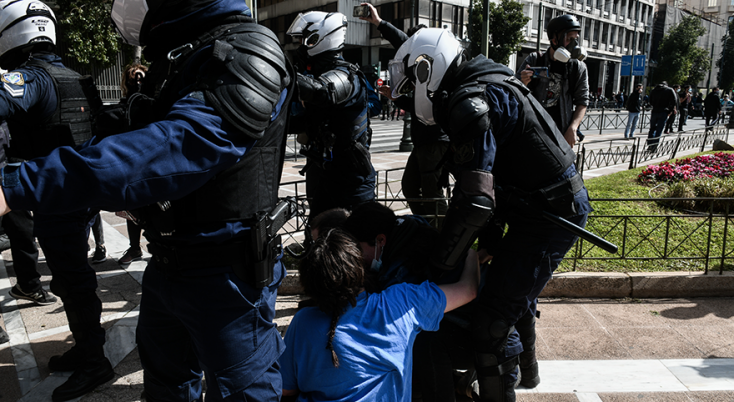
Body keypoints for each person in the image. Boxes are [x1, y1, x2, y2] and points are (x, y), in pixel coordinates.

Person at [0, 1, 294, 401]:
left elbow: (182, 144)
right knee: (164, 385)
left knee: (242, 393)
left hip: (228, 275)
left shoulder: (248, 48)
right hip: (168, 261)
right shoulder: (184, 55)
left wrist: (19, 183)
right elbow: (138, 131)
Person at [389, 28, 591, 401]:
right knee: (509, 293)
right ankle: (529, 372)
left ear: (427, 70)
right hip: (529, 203)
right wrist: (481, 246)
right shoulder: (479, 80)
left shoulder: (470, 101)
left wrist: (439, 266)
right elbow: (489, 181)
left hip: (548, 213)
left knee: (491, 324)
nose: (408, 99)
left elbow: (474, 202)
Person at [0, 2, 111, 400]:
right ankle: (87, 348)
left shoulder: (31, 77)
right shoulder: (74, 76)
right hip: (79, 193)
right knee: (72, 277)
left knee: (73, 280)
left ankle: (95, 361)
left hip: (57, 196)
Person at [280, 228, 480, 402]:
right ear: (359, 268)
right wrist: (471, 253)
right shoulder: (401, 302)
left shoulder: (302, 322)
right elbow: (468, 290)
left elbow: (285, 389)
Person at [359, 3, 449, 224]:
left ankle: (443, 234)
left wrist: (379, 23)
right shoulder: (422, 69)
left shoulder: (437, 66)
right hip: (423, 141)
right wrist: (395, 98)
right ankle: (425, 225)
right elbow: (418, 105)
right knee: (410, 186)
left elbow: (402, 41)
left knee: (431, 192)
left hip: (435, 141)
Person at [287, 11, 376, 220]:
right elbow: (307, 121)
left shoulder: (347, 75)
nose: (300, 47)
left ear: (321, 38)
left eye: (304, 40)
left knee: (354, 235)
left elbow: (321, 91)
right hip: (324, 172)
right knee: (317, 231)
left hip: (351, 179)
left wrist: (280, 72)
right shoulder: (317, 74)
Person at [517, 14, 589, 147]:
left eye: (575, 39)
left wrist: (573, 128)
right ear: (554, 40)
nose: (574, 45)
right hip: (533, 131)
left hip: (561, 134)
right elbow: (514, 93)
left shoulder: (578, 67)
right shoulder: (534, 59)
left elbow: (582, 102)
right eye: (569, 39)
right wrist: (523, 82)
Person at [116, 62, 148, 267]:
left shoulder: (153, 101)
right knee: (131, 210)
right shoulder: (125, 104)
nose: (137, 82)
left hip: (151, 161)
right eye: (132, 78)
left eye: (140, 78)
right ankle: (134, 247)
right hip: (132, 163)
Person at [647, 81, 678, 152]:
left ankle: (650, 145)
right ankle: (654, 146)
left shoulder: (654, 90)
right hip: (664, 111)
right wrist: (670, 110)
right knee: (659, 130)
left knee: (652, 129)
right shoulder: (669, 90)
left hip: (655, 111)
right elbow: (674, 101)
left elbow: (650, 100)